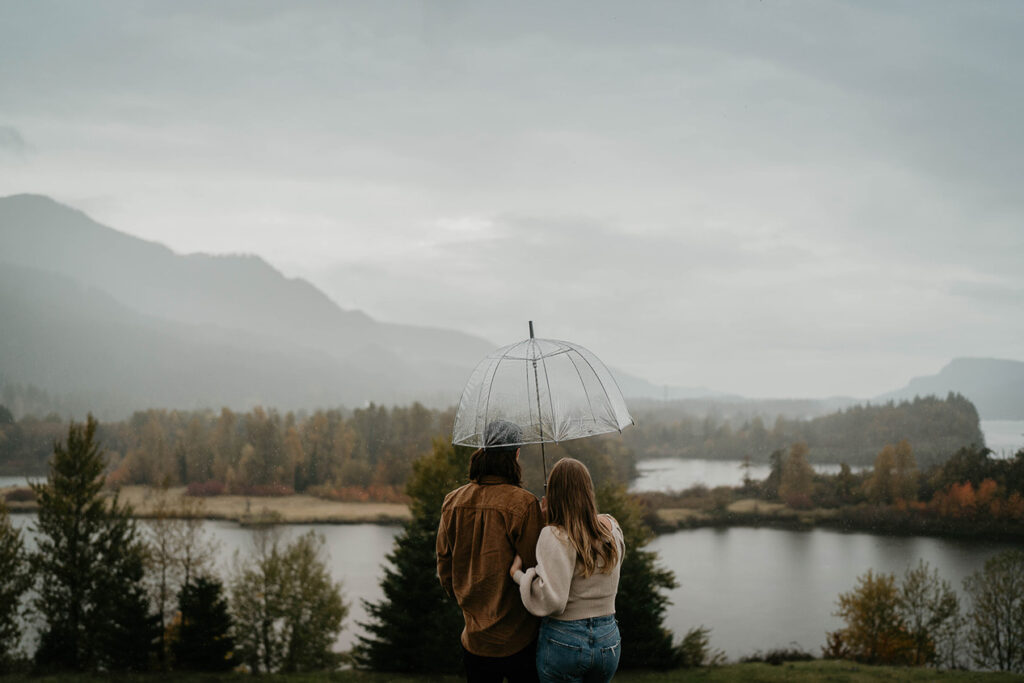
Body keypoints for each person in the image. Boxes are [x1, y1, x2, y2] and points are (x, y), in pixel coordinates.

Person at [437, 419, 545, 683]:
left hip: (474, 639)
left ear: (483, 451)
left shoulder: (453, 501)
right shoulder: (524, 504)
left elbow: (444, 565)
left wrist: (468, 598)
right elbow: (534, 570)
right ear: (516, 454)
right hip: (520, 639)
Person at [509, 458, 625, 683]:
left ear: (553, 493)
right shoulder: (612, 527)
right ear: (587, 489)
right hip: (608, 640)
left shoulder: (554, 535)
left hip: (565, 640)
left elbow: (551, 599)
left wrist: (519, 575)